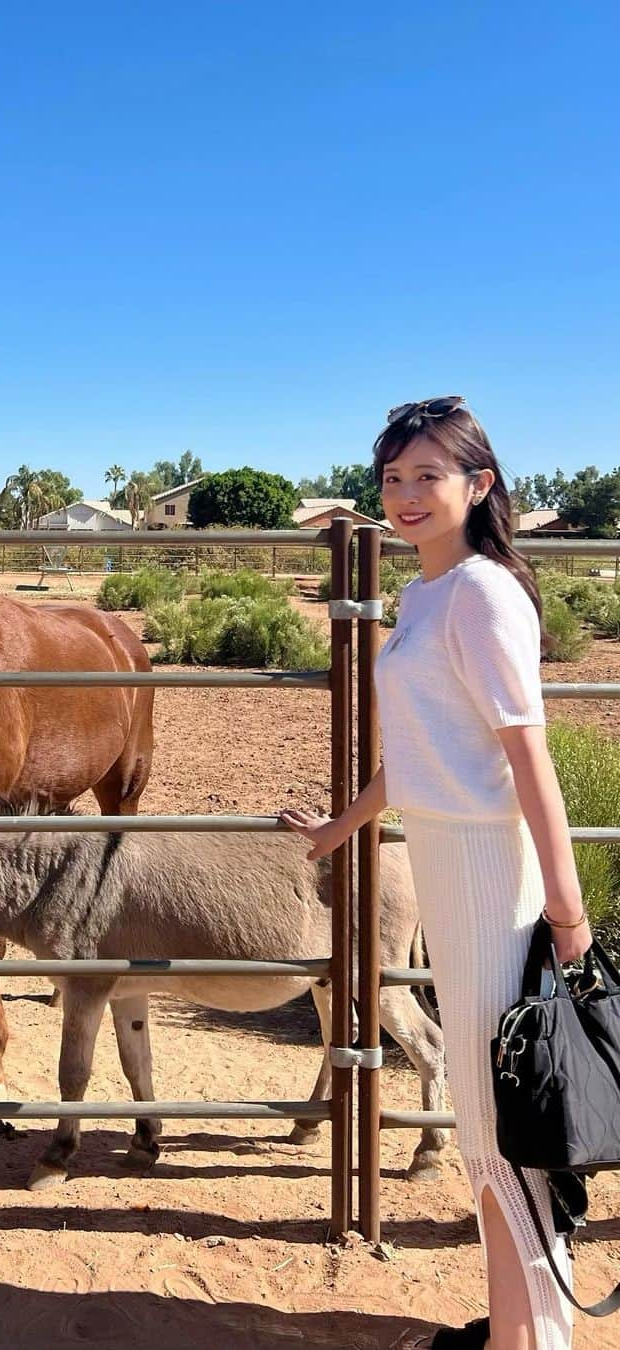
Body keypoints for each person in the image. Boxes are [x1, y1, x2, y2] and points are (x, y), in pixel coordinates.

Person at [280, 397, 592, 1350]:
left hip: (491, 872)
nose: (407, 496)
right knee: (486, 1125)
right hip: (448, 861)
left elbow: (526, 757)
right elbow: (421, 746)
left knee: (505, 1129)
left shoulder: (487, 593)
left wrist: (570, 917)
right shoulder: (427, 594)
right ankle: (514, 1329)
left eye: (429, 476)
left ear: (479, 485)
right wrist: (345, 826)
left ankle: (528, 1340)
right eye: (393, 479)